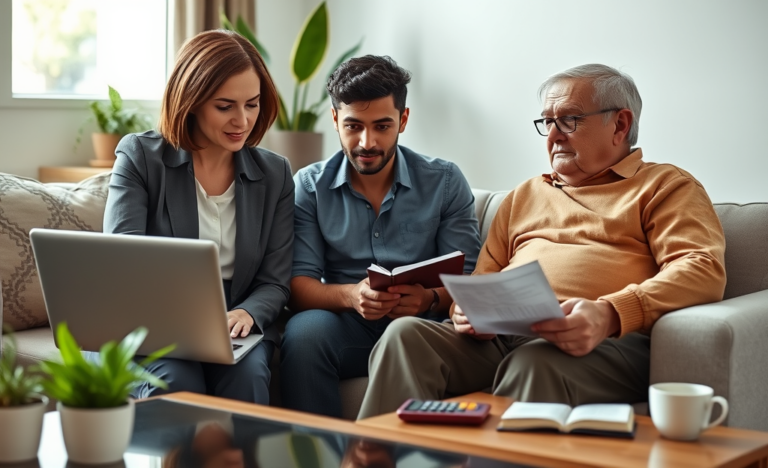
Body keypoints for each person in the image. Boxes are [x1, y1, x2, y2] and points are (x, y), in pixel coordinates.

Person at [357, 64, 727, 419]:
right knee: (406, 336)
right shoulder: (525, 195)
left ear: (620, 124)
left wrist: (610, 314)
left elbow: (702, 268)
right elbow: (482, 282)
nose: (553, 135)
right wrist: (466, 313)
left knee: (534, 362)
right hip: (503, 339)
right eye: (547, 123)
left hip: (605, 343)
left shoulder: (665, 186)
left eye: (569, 120)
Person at [280, 55, 482, 418]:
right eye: (353, 126)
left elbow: (471, 277)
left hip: (424, 327)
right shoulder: (309, 186)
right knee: (305, 334)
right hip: (348, 327)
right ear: (335, 119)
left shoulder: (445, 181)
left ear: (403, 121)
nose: (366, 142)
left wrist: (428, 299)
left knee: (409, 333)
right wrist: (351, 295)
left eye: (382, 126)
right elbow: (298, 284)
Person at [103, 29, 294, 404]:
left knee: (250, 377)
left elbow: (275, 281)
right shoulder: (140, 156)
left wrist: (248, 313)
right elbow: (122, 262)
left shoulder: (276, 174)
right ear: (190, 101)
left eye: (252, 104)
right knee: (175, 382)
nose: (242, 120)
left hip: (237, 326)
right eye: (225, 106)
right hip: (156, 323)